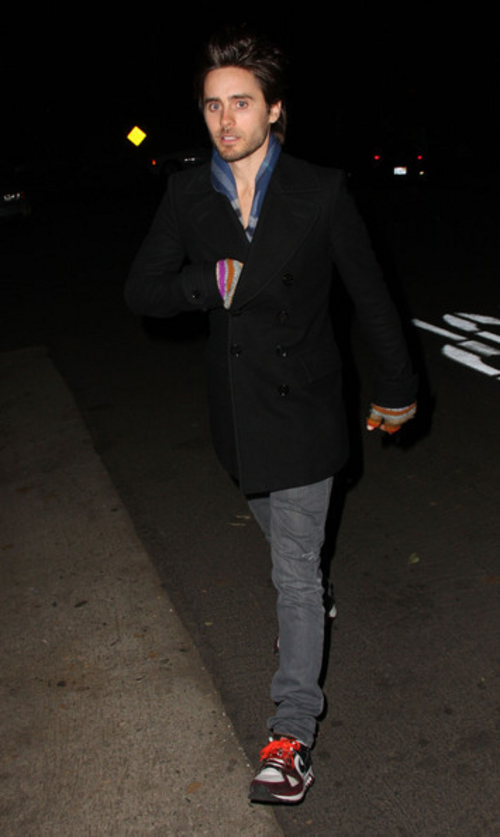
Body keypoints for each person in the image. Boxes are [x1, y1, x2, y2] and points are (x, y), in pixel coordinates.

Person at [125, 25, 417, 805]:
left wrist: (398, 387)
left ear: (274, 108)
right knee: (291, 552)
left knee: (291, 567)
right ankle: (313, 594)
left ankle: (291, 736)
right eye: (212, 105)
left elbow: (372, 296)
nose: (225, 121)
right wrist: (205, 283)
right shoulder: (188, 193)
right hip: (238, 416)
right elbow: (141, 290)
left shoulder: (321, 191)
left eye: (242, 103)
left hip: (305, 409)